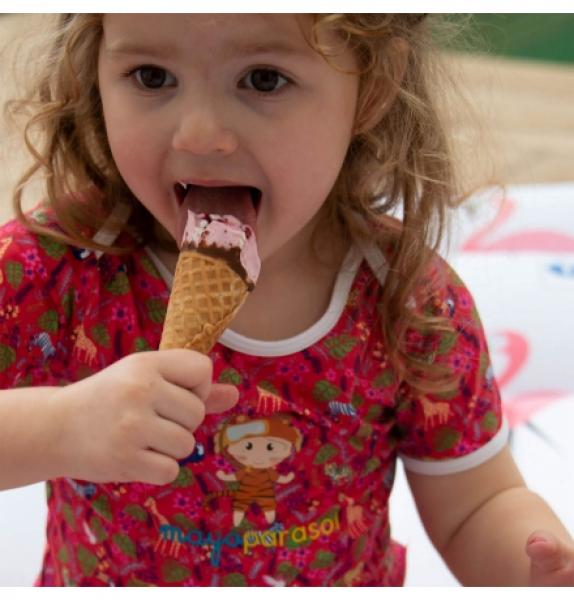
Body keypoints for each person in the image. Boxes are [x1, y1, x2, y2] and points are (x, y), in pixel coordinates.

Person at [0, 13, 572, 587]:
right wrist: (61, 428)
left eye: (263, 80)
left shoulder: (411, 303)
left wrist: (536, 570)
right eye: (152, 76)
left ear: (373, 87)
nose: (198, 134)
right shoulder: (56, 269)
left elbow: (474, 507)